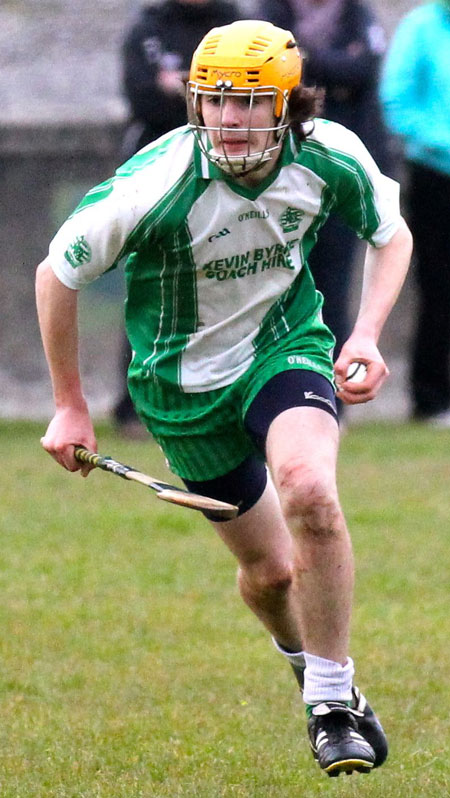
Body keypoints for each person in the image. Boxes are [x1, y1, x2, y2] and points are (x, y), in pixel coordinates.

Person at [36, 20, 412, 777]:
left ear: (287, 105)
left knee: (310, 490)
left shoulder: (327, 154)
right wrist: (71, 403)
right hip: (182, 389)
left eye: (249, 104)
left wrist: (365, 335)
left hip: (284, 348)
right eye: (215, 103)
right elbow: (57, 274)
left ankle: (333, 705)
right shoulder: (155, 185)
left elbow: (390, 231)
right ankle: (302, 659)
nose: (231, 122)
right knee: (272, 578)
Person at [114, 0, 243, 436]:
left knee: (221, 286)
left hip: (222, 176)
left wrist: (181, 87)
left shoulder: (235, 24)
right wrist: (201, 94)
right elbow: (144, 97)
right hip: (155, 176)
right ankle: (134, 403)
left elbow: (247, 102)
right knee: (149, 285)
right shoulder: (149, 29)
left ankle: (221, 397)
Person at [258, 0, 393, 416]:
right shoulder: (270, 13)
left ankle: (331, 391)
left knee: (331, 288)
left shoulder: (357, 14)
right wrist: (335, 69)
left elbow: (366, 71)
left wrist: (309, 61)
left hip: (336, 179)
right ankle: (266, 391)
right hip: (279, 176)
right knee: (272, 285)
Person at [380, 0, 450, 425]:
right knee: (439, 285)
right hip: (436, 174)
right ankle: (431, 397)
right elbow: (396, 101)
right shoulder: (422, 27)